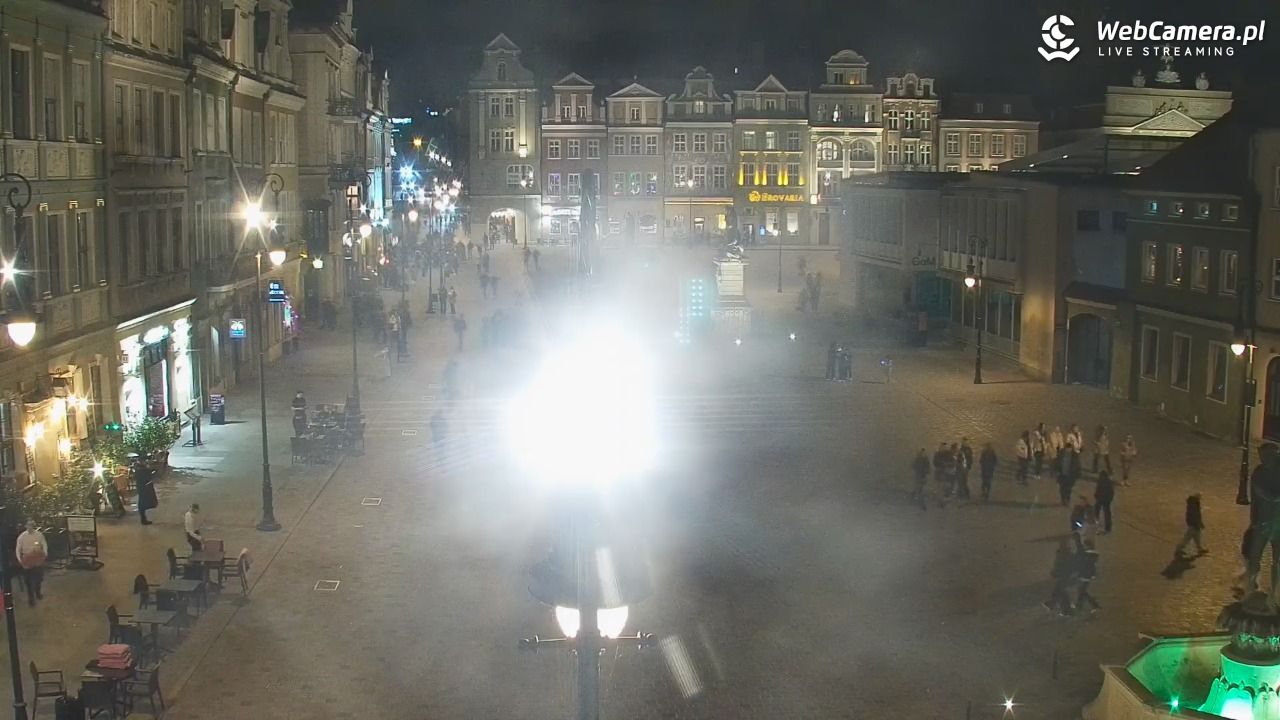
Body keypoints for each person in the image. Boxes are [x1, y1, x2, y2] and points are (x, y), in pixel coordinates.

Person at [16, 522, 47, 606]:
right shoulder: (21, 537)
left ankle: (38, 592)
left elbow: (44, 545)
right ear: (25, 526)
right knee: (28, 581)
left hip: (37, 559)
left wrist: (44, 555)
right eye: (28, 525)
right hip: (27, 560)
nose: (30, 527)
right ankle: (31, 599)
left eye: (31, 525)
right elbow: (18, 549)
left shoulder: (39, 535)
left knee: (39, 578)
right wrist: (20, 561)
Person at [1043, 539, 1076, 616]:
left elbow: (1057, 566)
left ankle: (1053, 604)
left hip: (1064, 576)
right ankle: (1055, 605)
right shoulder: (1069, 556)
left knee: (1059, 591)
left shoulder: (1061, 557)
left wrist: (1054, 573)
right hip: (1068, 576)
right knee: (1060, 592)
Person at [1074, 540, 1101, 614]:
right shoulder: (1092, 556)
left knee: (1082, 591)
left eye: (1085, 546)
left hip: (1084, 576)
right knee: (1082, 591)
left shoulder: (1087, 555)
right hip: (1087, 576)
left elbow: (1084, 565)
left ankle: (1093, 605)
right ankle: (1086, 606)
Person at [135, 459, 157, 525]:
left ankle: (143, 518)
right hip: (144, 487)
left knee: (142, 502)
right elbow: (149, 474)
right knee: (142, 503)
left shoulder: (138, 468)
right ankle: (143, 519)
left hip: (142, 487)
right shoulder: (141, 469)